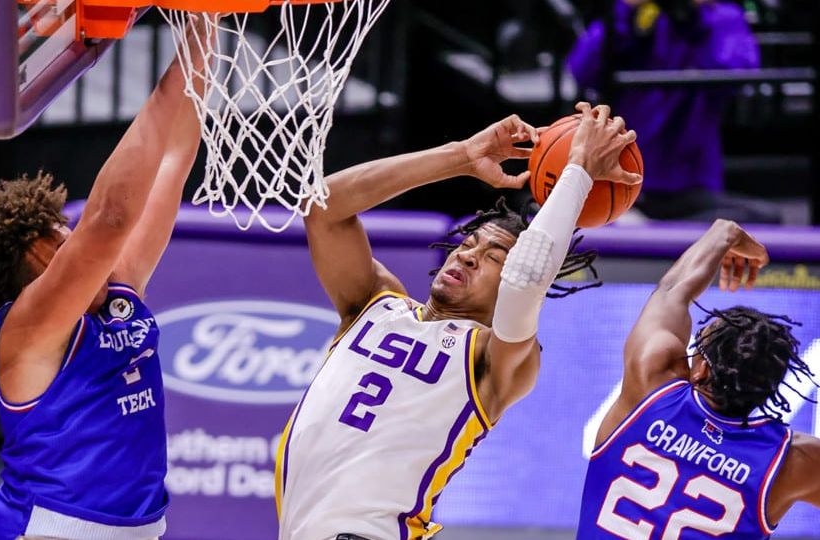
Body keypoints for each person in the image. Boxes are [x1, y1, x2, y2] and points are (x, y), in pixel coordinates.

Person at [274, 103, 642, 540]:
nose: (467, 254)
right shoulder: (374, 303)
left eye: (493, 258)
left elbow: (526, 282)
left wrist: (577, 172)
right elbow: (323, 207)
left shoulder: (495, 357)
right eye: (469, 243)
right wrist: (462, 157)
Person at [0, 23, 209, 540]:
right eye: (65, 234)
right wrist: (161, 90)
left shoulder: (118, 291)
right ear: (40, 253)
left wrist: (204, 26)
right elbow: (109, 218)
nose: (79, 238)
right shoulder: (24, 329)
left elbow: (173, 156)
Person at [576, 219, 820, 538]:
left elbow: (672, 291)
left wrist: (726, 234)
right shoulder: (792, 462)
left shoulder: (651, 385)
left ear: (701, 369)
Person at [567, 0, 763, 221]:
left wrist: (696, 22)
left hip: (693, 180)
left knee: (759, 221)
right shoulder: (631, 18)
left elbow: (738, 72)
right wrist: (625, 13)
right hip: (624, 176)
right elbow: (580, 70)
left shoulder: (721, 16)